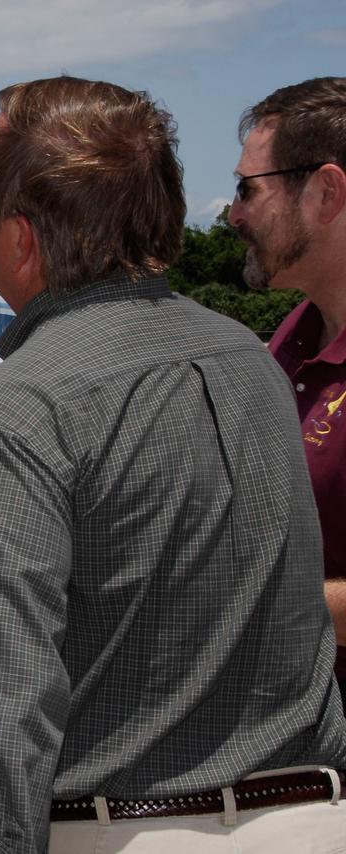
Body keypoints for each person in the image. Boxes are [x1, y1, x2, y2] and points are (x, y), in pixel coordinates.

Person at [0, 77, 346, 853]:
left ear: (21, 237)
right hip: (314, 821)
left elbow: (7, 716)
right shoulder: (253, 362)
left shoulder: (19, 410)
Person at [227, 77, 346, 702]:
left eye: (249, 189)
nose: (233, 212)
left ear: (325, 192)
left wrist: (243, 600)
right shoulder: (291, 342)